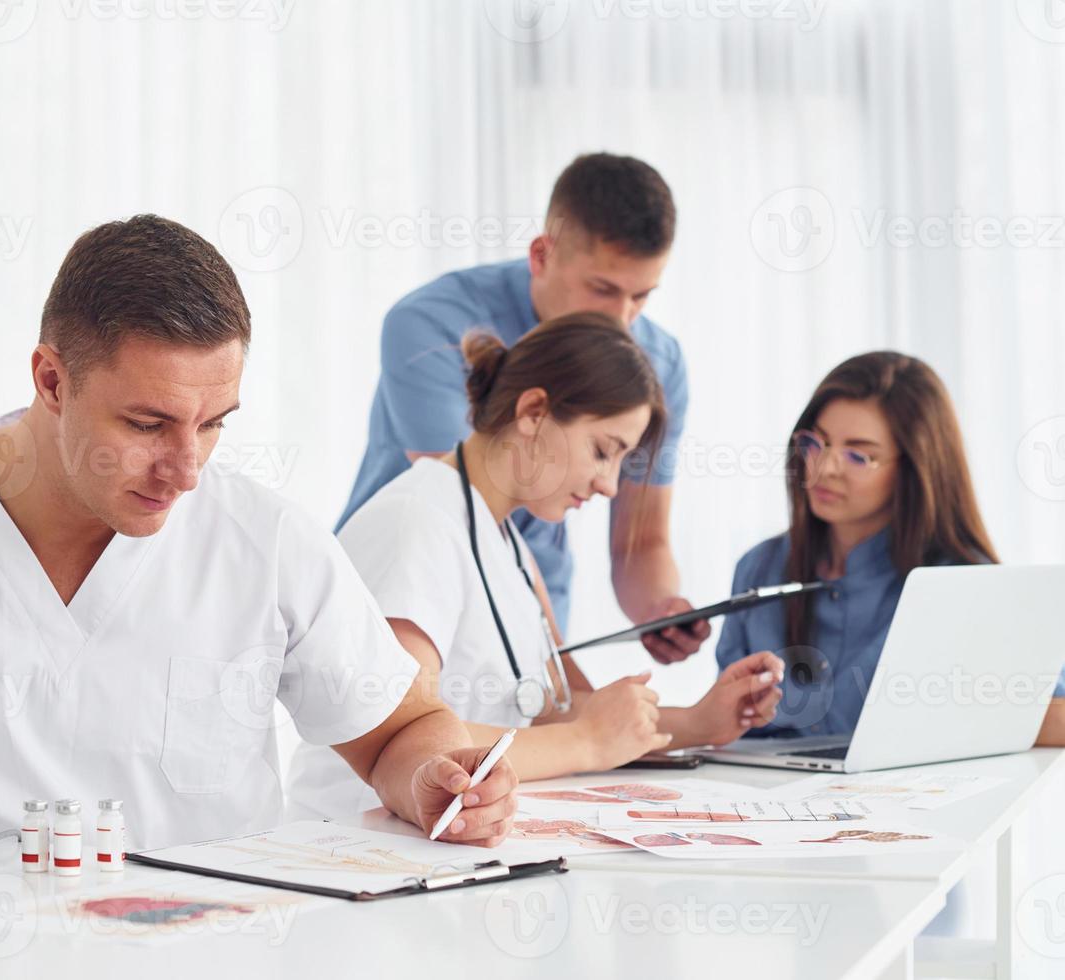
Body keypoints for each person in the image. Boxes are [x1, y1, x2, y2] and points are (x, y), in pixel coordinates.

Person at [0, 215, 519, 850]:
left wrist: (439, 782)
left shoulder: (263, 540)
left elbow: (400, 731)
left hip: (203, 951)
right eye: (148, 423)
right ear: (51, 379)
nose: (186, 469)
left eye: (215, 424)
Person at [289, 314, 784, 818]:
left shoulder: (509, 546)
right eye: (602, 452)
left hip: (450, 836)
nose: (610, 485)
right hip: (360, 837)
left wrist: (700, 721)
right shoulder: (414, 523)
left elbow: (550, 708)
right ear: (533, 411)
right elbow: (409, 737)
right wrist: (586, 743)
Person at [341, 152, 708, 665]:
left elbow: (641, 541)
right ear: (542, 255)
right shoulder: (430, 324)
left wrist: (661, 610)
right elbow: (468, 506)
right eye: (603, 289)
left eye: (641, 296)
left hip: (532, 610)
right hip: (411, 589)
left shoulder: (658, 364)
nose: (622, 321)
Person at [715, 351, 1065, 744]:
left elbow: (1055, 713)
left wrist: (958, 715)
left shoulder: (963, 583)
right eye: (817, 442)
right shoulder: (759, 567)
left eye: (858, 455)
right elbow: (725, 724)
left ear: (915, 468)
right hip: (753, 798)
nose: (825, 468)